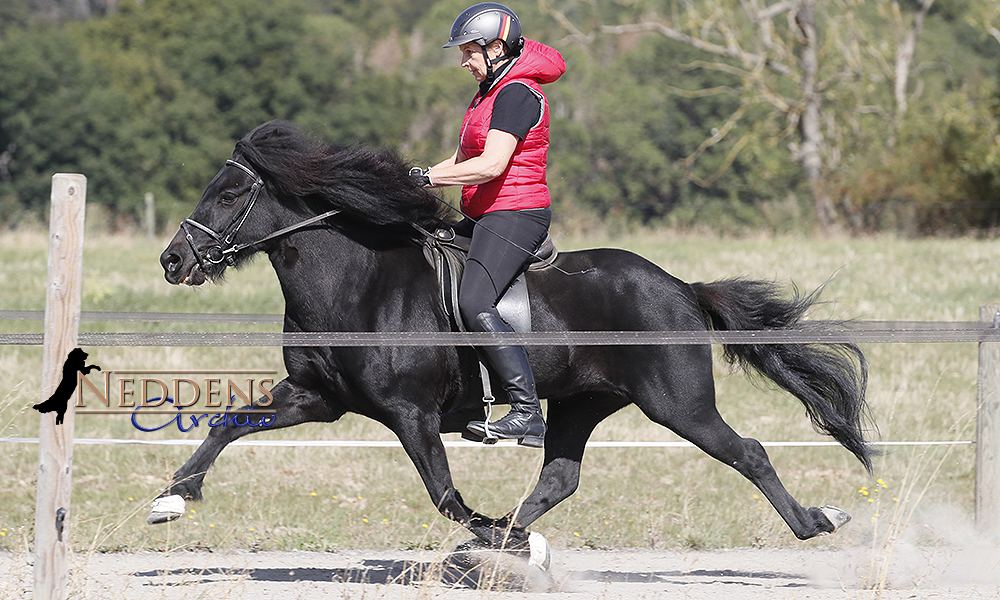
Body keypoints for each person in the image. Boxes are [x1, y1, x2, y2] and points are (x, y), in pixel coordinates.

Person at [411, 2, 565, 447]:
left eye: (468, 52)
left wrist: (430, 178)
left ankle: (526, 412)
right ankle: (466, 401)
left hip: (517, 214)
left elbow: (492, 164)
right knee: (430, 263)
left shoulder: (517, 93)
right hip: (484, 212)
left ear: (496, 47)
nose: (463, 62)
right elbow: (461, 161)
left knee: (475, 298)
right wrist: (411, 181)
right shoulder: (489, 92)